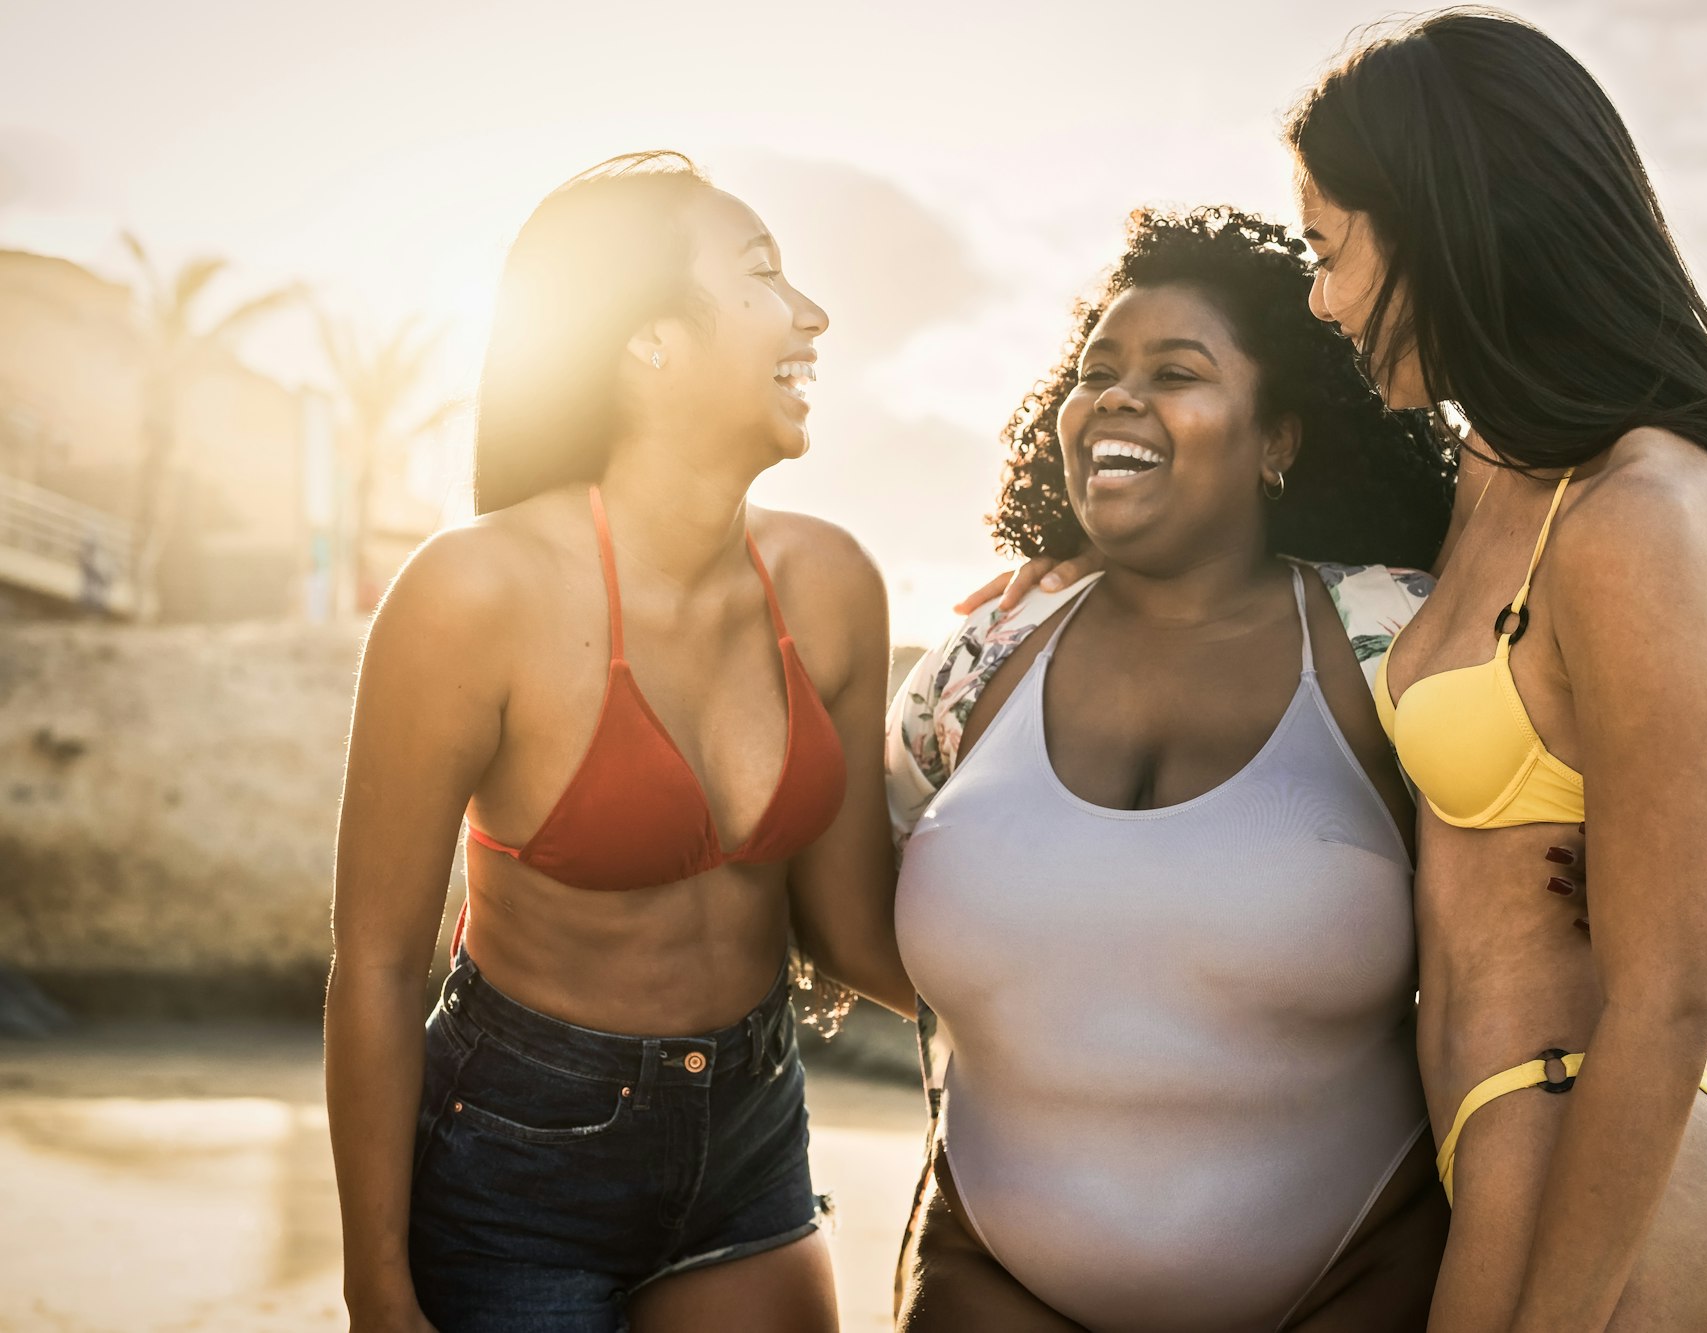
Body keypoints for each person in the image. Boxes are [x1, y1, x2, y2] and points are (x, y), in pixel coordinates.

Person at [325, 151, 911, 1333]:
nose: (812, 314)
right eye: (762, 275)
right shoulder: (472, 594)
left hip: (750, 1135)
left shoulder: (831, 582)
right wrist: (377, 1286)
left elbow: (853, 928)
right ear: (645, 340)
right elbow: (380, 964)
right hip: (514, 1166)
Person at [1286, 11, 1707, 1328]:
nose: (1321, 299)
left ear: (1444, 223)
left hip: (1578, 1131)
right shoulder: (1490, 471)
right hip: (1494, 1124)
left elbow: (1670, 997)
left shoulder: (1636, 508)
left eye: (1331, 250)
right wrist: (1053, 555)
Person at [890, 206, 1473, 1332]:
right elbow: (869, 904)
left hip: (1355, 1277)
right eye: (1095, 369)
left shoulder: (1395, 640)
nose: (1114, 394)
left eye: (1175, 371)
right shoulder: (978, 658)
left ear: (1276, 441)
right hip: (988, 1280)